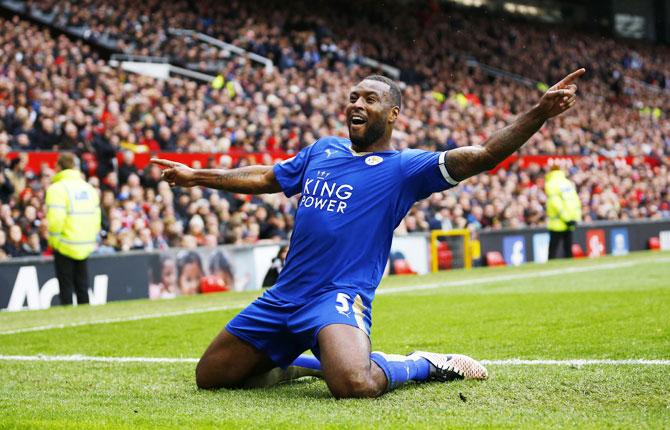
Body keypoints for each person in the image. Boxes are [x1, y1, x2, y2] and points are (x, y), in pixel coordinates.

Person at [152, 69, 584, 398]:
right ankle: (303, 363)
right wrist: (197, 177)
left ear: (392, 114)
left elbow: (485, 155)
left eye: (370, 99)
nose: (356, 104)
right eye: (353, 97)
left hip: (337, 295)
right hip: (286, 293)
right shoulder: (322, 150)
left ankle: (423, 363)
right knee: (211, 378)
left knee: (354, 383)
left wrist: (539, 113)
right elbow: (268, 177)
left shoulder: (404, 169)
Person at [46, 153, 101, 305]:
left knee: (66, 286)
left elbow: (56, 219)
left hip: (65, 243)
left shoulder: (56, 189)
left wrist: (55, 241)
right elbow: (96, 216)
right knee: (83, 285)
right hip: (85, 243)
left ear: (59, 167)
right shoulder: (88, 188)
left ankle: (69, 318)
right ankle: (86, 320)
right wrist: (91, 238)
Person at [545, 165, 582, 259]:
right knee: (568, 248)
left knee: (553, 248)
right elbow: (575, 200)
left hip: (557, 221)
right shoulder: (567, 182)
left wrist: (566, 218)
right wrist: (574, 218)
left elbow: (555, 203)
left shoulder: (551, 183)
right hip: (570, 220)